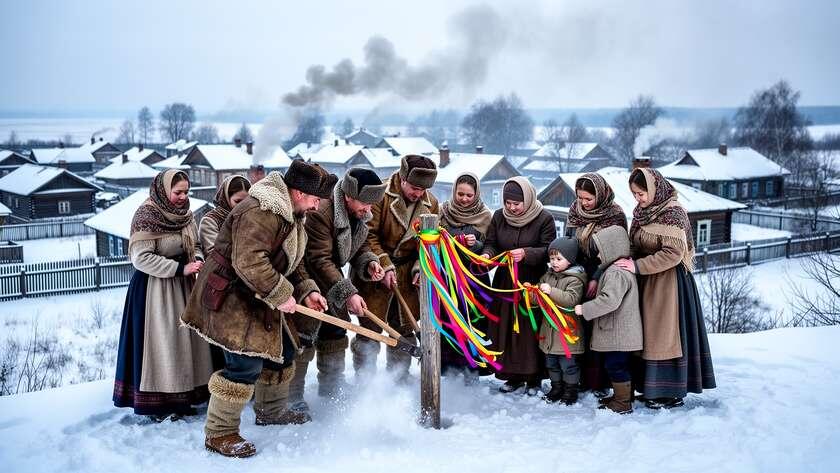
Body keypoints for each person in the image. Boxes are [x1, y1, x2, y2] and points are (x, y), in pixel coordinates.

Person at [181, 161, 337, 458]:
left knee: (285, 351)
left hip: (258, 293)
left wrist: (307, 291)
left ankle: (270, 410)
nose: (318, 207)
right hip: (231, 297)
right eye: (316, 199)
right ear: (299, 193)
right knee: (243, 365)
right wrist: (280, 294)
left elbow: (294, 261)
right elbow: (249, 261)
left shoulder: (292, 212)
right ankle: (220, 432)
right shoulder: (261, 210)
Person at [113, 169, 213, 421]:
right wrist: (180, 268)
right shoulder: (146, 216)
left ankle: (186, 395)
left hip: (185, 285)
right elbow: (141, 258)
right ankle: (162, 402)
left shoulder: (186, 214)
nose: (182, 197)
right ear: (163, 190)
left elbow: (196, 243)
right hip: (156, 291)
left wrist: (197, 260)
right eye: (177, 192)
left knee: (187, 342)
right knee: (165, 344)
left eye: (186, 192)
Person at [613, 167, 716, 409]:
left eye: (641, 193)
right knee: (647, 333)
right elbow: (635, 242)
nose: (638, 199)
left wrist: (638, 266)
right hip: (645, 279)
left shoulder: (673, 213)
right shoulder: (641, 212)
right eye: (635, 194)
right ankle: (649, 388)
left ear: (655, 188)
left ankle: (670, 392)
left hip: (669, 284)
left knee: (664, 334)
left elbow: (673, 253)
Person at [289, 168, 388, 411]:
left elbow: (361, 246)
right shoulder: (323, 211)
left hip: (331, 280)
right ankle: (292, 396)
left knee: (334, 332)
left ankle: (331, 387)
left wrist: (370, 262)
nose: (370, 210)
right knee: (302, 340)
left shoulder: (360, 213)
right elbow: (319, 259)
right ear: (349, 197)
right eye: (366, 203)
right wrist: (349, 293)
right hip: (306, 281)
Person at [351, 155, 439, 382]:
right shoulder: (379, 195)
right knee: (369, 331)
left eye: (424, 189)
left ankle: (398, 379)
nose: (419, 194)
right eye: (415, 187)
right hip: (374, 269)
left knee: (403, 330)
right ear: (402, 178)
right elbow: (366, 235)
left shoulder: (432, 204)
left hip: (407, 274)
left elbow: (429, 243)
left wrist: (420, 268)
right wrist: (384, 265)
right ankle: (365, 380)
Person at [481, 177, 556, 395]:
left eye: (517, 204)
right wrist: (488, 254)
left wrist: (526, 253)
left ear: (528, 199)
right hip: (505, 282)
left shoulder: (544, 218)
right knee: (507, 329)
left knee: (530, 330)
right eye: (508, 203)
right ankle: (511, 375)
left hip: (532, 281)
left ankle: (534, 378)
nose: (512, 208)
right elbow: (491, 242)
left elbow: (549, 249)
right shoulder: (498, 216)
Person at [564, 172, 627, 396]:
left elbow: (616, 250)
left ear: (600, 195)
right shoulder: (575, 211)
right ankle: (577, 378)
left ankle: (599, 381)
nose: (583, 203)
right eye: (580, 198)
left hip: (603, 272)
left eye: (588, 199)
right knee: (577, 326)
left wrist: (596, 277)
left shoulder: (614, 215)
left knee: (598, 328)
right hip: (576, 272)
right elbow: (569, 241)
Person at [574, 226, 643, 414]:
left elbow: (609, 301)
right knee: (617, 365)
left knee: (616, 366)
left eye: (600, 252)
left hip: (618, 332)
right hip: (620, 331)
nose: (597, 257)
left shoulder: (615, 273)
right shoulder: (618, 268)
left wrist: (585, 309)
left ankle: (622, 402)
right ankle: (622, 397)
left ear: (612, 249)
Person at [438, 172, 492, 380]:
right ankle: (446, 370)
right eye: (460, 194)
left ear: (477, 194)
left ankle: (471, 369)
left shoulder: (486, 216)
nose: (464, 199)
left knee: (471, 323)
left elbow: (490, 245)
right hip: (446, 276)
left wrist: (476, 245)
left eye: (469, 195)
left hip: (472, 281)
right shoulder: (443, 211)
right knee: (448, 320)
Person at [535, 237, 587, 405]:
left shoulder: (575, 279)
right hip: (549, 331)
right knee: (551, 363)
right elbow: (538, 297)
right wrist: (530, 293)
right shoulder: (547, 276)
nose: (554, 262)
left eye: (559, 259)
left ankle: (570, 391)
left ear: (570, 259)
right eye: (552, 259)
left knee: (568, 365)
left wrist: (551, 291)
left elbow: (571, 299)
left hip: (566, 334)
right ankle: (556, 387)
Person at [199, 174, 251, 254]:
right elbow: (215, 253)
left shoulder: (252, 218)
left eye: (246, 202)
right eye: (237, 201)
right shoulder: (210, 221)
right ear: (226, 198)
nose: (242, 206)